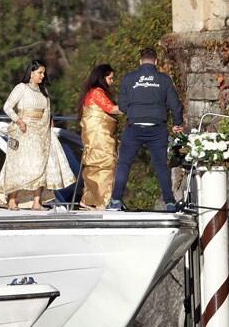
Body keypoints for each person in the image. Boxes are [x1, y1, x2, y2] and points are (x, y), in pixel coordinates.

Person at [0, 60, 76, 210]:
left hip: (41, 131)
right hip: (24, 130)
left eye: (43, 73)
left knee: (42, 165)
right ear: (31, 73)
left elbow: (47, 110)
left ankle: (37, 202)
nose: (42, 76)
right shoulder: (21, 88)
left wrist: (49, 124)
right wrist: (19, 121)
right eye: (39, 72)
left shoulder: (44, 91)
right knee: (19, 165)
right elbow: (7, 107)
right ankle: (12, 200)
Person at [107, 48, 184, 212]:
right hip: (157, 128)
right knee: (161, 165)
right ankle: (170, 203)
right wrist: (178, 123)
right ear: (156, 62)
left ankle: (115, 201)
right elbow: (175, 105)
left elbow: (122, 106)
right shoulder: (164, 79)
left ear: (140, 62)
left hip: (134, 127)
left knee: (124, 164)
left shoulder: (128, 79)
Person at [77, 64, 123, 210]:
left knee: (94, 167)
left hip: (96, 137)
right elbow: (112, 109)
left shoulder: (91, 92)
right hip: (100, 137)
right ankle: (102, 201)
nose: (112, 82)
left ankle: (89, 199)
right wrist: (133, 106)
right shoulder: (97, 92)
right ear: (101, 78)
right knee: (105, 164)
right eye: (110, 78)